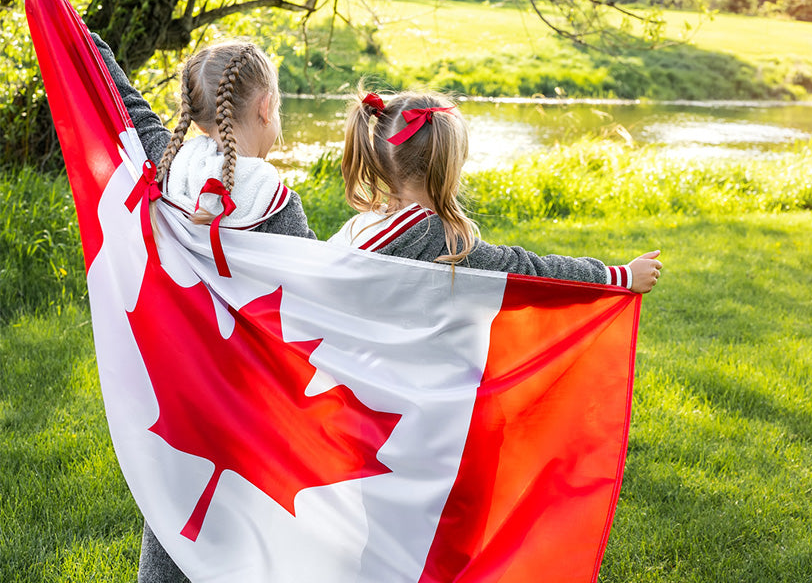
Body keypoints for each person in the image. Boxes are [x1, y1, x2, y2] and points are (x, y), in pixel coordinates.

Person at [92, 34, 315, 583]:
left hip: (175, 383)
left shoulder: (162, 168)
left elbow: (123, 101)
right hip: (247, 399)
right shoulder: (276, 204)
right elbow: (317, 298)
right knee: (242, 523)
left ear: (193, 110)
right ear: (266, 107)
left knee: (175, 504)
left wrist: (80, 32)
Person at [330, 88, 662, 292]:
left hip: (358, 385)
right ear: (451, 169)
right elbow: (534, 274)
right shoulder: (447, 243)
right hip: (423, 394)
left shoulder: (357, 228)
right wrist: (620, 276)